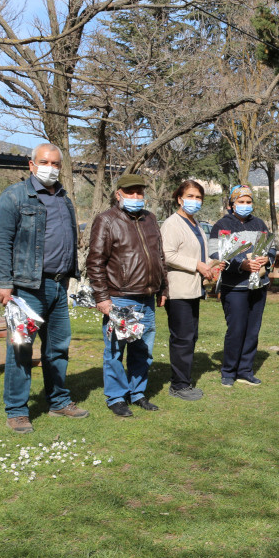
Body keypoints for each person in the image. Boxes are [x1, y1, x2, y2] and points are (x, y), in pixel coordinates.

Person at [0, 142, 88, 433]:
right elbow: (1, 242)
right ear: (32, 165)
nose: (50, 168)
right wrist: (4, 283)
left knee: (58, 347)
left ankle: (59, 400)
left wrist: (70, 273)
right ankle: (17, 411)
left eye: (56, 164)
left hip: (59, 286)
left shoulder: (64, 198)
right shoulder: (14, 196)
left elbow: (67, 238)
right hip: (27, 287)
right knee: (22, 349)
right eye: (45, 162)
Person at [87, 174, 168, 417]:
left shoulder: (150, 219)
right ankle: (116, 397)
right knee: (115, 351)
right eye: (130, 192)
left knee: (143, 349)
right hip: (121, 297)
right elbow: (95, 262)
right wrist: (102, 297)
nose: (135, 197)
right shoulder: (106, 221)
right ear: (118, 194)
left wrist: (163, 288)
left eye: (139, 192)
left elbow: (159, 257)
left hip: (147, 297)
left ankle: (138, 393)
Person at [160, 180, 218, 401]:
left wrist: (211, 265)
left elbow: (197, 254)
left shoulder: (195, 223)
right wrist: (198, 265)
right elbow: (168, 254)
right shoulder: (173, 224)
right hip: (179, 290)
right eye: (190, 196)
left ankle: (183, 379)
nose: (195, 201)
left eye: (198, 197)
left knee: (190, 336)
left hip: (193, 290)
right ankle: (179, 385)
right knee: (182, 338)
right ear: (179, 198)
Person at [209, 185, 272, 387]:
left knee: (253, 330)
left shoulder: (260, 224)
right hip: (234, 286)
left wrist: (265, 260)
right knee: (236, 329)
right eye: (241, 202)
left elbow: (271, 249)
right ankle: (229, 371)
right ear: (232, 203)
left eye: (248, 202)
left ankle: (245, 369)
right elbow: (215, 255)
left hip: (258, 285)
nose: (245, 205)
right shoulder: (221, 226)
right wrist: (240, 264)